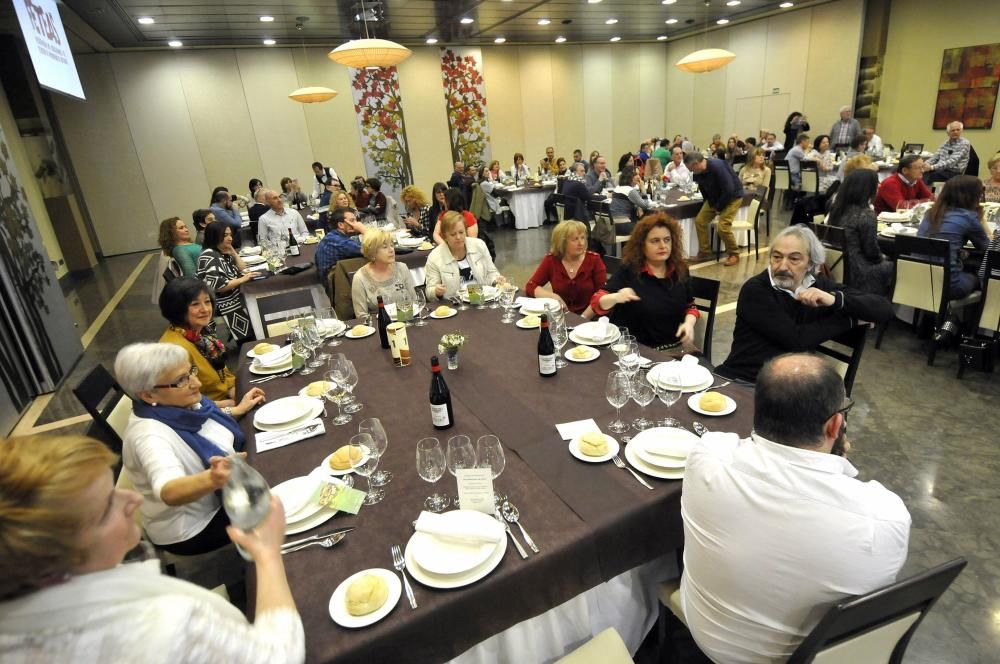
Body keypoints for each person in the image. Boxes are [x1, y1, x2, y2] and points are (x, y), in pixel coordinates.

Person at [681, 353, 910, 663]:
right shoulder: (884, 518)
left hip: (703, 635)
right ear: (835, 425)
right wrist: (838, 458)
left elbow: (725, 443)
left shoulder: (707, 456)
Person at [0, 433, 305, 662]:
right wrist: (266, 555)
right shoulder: (159, 629)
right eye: (108, 506)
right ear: (56, 556)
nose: (133, 499)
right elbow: (278, 656)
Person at [114, 342, 264, 553]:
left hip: (220, 496)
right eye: (181, 380)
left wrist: (238, 409)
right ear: (148, 395)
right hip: (195, 526)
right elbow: (169, 490)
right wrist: (213, 478)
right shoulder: (149, 436)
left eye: (190, 372)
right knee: (277, 501)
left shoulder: (176, 406)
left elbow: (207, 424)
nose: (196, 383)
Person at [717, 225, 894, 382]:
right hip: (742, 381)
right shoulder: (756, 290)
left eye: (794, 259)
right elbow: (796, 339)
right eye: (776, 257)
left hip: (794, 386)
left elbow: (884, 309)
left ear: (810, 263)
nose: (782, 266)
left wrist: (835, 300)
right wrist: (850, 321)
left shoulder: (819, 286)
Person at [590, 213, 698, 351]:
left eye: (667, 240)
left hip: (674, 348)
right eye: (655, 241)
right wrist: (616, 297)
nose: (662, 246)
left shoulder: (680, 270)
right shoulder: (629, 270)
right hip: (635, 349)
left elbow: (690, 305)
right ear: (642, 245)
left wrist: (689, 323)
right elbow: (597, 302)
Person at [158, 277, 237, 401]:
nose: (205, 310)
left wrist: (234, 391)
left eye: (207, 302)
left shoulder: (201, 334)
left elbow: (223, 373)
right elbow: (183, 403)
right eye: (195, 304)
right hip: (208, 413)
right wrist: (231, 406)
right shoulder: (174, 350)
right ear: (177, 308)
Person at [917, 175, 991, 299]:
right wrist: (982, 220)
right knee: (983, 277)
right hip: (950, 287)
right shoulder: (968, 217)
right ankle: (971, 318)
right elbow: (988, 248)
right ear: (973, 196)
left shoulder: (931, 213)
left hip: (920, 279)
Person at [829, 169, 893, 296]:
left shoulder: (836, 208)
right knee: (896, 265)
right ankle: (883, 307)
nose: (879, 186)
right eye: (876, 184)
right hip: (859, 272)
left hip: (836, 267)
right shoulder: (865, 214)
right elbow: (872, 253)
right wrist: (884, 257)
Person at [526, 220, 606, 317]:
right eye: (575, 239)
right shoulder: (551, 260)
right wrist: (553, 297)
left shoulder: (594, 259)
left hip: (590, 319)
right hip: (560, 317)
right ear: (562, 242)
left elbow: (602, 295)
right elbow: (531, 286)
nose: (581, 243)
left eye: (583, 238)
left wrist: (582, 319)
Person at [195, 224, 254, 345]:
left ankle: (251, 335)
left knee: (253, 297)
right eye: (225, 235)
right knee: (254, 300)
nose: (230, 238)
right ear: (214, 237)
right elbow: (219, 286)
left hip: (230, 294)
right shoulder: (211, 256)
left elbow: (242, 268)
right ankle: (246, 341)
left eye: (230, 235)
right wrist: (243, 279)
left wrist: (233, 252)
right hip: (217, 301)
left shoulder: (221, 251)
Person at [425, 211, 502, 300]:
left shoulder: (479, 245)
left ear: (466, 231)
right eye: (453, 234)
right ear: (445, 236)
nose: (458, 237)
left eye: (461, 232)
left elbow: (492, 272)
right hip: (455, 306)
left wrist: (496, 280)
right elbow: (429, 292)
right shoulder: (435, 257)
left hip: (483, 300)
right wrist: (436, 291)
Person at [686, 152, 745, 266]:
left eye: (691, 169)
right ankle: (705, 251)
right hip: (715, 198)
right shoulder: (698, 172)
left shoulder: (718, 167)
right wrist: (707, 204)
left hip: (732, 197)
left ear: (696, 164)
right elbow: (703, 188)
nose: (691, 172)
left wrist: (718, 208)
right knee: (700, 221)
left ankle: (734, 254)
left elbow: (729, 190)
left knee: (723, 227)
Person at [351, 229, 417, 317]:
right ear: (372, 252)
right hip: (380, 327)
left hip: (407, 319)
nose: (391, 250)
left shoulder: (402, 268)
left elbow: (414, 301)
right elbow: (361, 316)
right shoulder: (360, 278)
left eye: (392, 245)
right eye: (385, 247)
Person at [315, 206, 366, 284]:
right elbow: (372, 250)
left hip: (334, 281)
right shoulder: (340, 242)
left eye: (356, 220)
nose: (357, 224)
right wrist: (364, 230)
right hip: (341, 285)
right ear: (341, 225)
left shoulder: (331, 236)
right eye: (352, 221)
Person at [609, 166, 653, 235]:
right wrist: (643, 189)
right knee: (649, 228)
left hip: (613, 225)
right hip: (624, 226)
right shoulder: (630, 191)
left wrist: (638, 207)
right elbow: (645, 205)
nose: (639, 177)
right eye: (635, 175)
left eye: (639, 174)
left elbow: (627, 203)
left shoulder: (617, 188)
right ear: (629, 176)